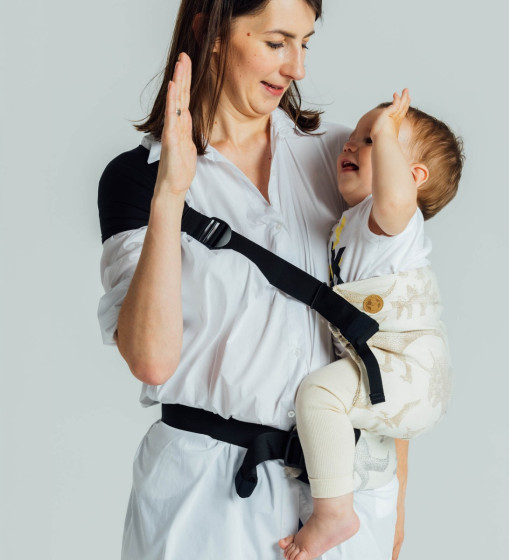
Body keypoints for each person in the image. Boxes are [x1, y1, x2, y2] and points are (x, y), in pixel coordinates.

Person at [97, 1, 408, 558]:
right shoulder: (137, 177)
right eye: (276, 42)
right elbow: (151, 360)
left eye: (305, 43)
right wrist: (170, 194)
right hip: (203, 503)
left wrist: (395, 508)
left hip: (345, 494)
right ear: (211, 30)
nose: (297, 68)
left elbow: (392, 332)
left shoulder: (342, 162)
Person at [278, 91, 465, 560]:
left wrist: (383, 132)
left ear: (413, 178)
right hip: (392, 368)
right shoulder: (353, 222)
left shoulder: (393, 223)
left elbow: (396, 197)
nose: (352, 144)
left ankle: (334, 513)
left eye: (373, 141)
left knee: (319, 395)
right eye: (360, 136)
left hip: (410, 368)